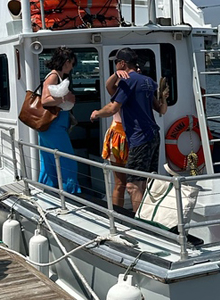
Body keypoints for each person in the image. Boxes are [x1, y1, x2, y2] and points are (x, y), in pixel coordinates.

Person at [90, 48, 167, 211]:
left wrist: (97, 113)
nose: (116, 65)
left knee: (132, 185)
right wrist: (164, 99)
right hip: (154, 136)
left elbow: (113, 108)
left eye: (117, 63)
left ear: (122, 63)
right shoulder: (147, 81)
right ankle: (147, 217)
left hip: (140, 138)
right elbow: (161, 110)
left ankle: (139, 223)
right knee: (145, 182)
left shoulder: (128, 82)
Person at [38, 47, 81, 194]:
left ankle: (48, 191)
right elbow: (45, 100)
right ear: (67, 62)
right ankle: (71, 194)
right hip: (54, 127)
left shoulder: (56, 75)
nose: (72, 67)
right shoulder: (54, 76)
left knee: (49, 162)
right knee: (68, 162)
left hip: (51, 126)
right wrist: (65, 98)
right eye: (72, 63)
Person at [100, 63, 131, 208]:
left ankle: (136, 215)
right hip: (118, 138)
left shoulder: (136, 91)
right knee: (120, 182)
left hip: (133, 138)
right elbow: (108, 85)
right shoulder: (117, 93)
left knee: (134, 183)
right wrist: (116, 74)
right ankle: (117, 214)